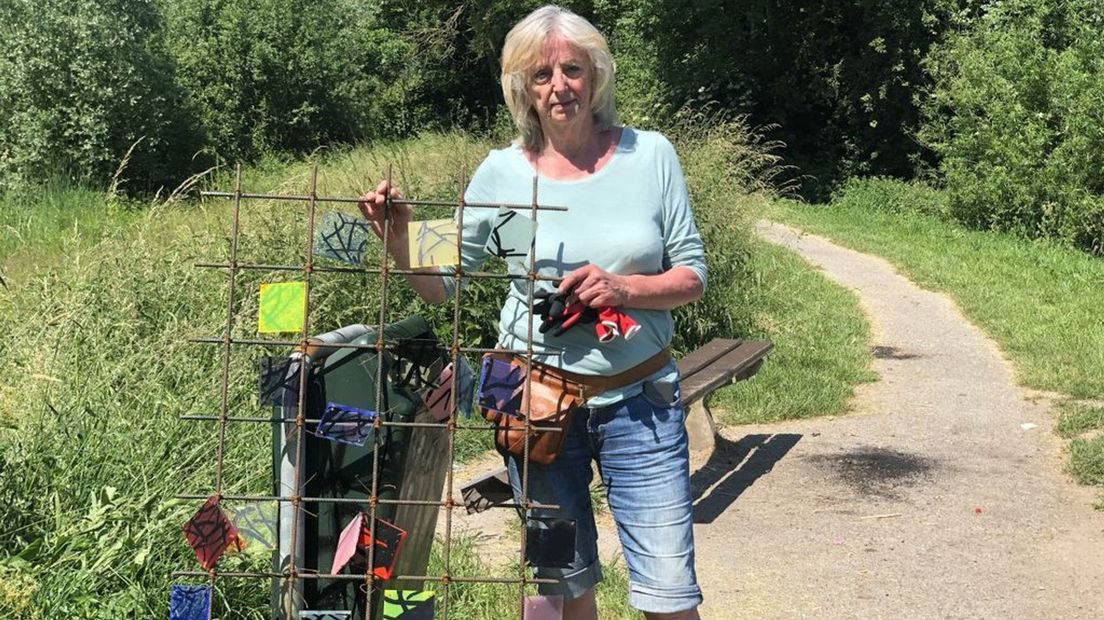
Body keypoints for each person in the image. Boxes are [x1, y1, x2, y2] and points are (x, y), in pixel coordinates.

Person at [358, 6, 706, 619]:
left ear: (595, 76)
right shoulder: (499, 172)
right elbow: (441, 285)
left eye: (572, 69)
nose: (559, 86)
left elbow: (691, 277)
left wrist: (623, 288)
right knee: (558, 583)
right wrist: (401, 236)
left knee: (668, 585)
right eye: (541, 74)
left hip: (641, 400)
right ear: (521, 88)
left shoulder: (651, 156)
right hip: (533, 401)